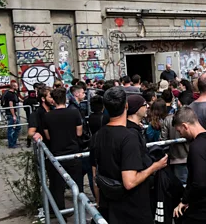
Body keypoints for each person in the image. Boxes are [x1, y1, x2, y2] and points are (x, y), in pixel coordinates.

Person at [90, 87, 167, 224]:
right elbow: (129, 182)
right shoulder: (129, 137)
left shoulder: (97, 135)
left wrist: (99, 202)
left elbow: (95, 172)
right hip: (132, 208)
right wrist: (155, 167)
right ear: (126, 106)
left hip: (109, 204)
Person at [43, 88, 83, 212]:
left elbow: (48, 136)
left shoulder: (47, 116)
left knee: (57, 187)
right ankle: (80, 210)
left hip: (56, 154)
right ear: (65, 99)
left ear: (53, 101)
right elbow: (79, 133)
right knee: (77, 184)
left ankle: (61, 213)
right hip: (73, 153)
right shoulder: (74, 113)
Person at [161, 103, 189, 184]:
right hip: (189, 156)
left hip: (174, 157)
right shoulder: (191, 119)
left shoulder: (168, 119)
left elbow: (163, 139)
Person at [3, 81, 21, 148]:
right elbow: (11, 106)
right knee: (11, 129)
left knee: (17, 127)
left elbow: (18, 100)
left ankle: (13, 142)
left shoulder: (14, 93)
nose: (17, 87)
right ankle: (11, 144)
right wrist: (13, 115)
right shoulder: (10, 94)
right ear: (13, 87)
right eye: (16, 86)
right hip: (10, 114)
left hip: (12, 114)